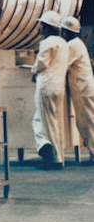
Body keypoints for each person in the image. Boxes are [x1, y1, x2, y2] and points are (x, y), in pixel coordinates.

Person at [31, 10, 69, 170]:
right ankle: (53, 153)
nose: (40, 28)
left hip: (46, 85)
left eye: (42, 25)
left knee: (44, 122)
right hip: (59, 86)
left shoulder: (47, 42)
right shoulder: (64, 43)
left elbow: (42, 63)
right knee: (47, 121)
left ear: (47, 27)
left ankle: (52, 156)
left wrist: (33, 71)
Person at [61, 15, 94, 163]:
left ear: (66, 32)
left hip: (82, 88)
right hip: (83, 87)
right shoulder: (77, 43)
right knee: (87, 121)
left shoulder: (72, 45)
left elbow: (62, 64)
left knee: (87, 122)